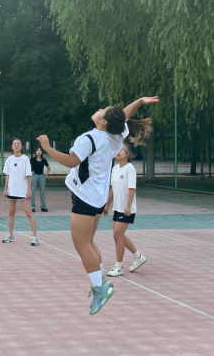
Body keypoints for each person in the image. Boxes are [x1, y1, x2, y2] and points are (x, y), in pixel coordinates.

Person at [37, 96, 158, 316]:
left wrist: (46, 147)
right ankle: (99, 281)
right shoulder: (116, 135)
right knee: (89, 242)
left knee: (81, 244)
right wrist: (139, 101)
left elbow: (71, 162)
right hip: (97, 196)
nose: (100, 108)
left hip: (85, 196)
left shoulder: (89, 138)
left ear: (104, 121)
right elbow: (125, 115)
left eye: (103, 109)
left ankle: (99, 288)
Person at [103, 143, 147, 277]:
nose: (118, 152)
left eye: (121, 150)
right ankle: (138, 256)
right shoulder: (115, 168)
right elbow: (112, 188)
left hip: (126, 208)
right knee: (118, 235)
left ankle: (119, 266)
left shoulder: (130, 169)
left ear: (127, 154)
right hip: (117, 207)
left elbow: (132, 189)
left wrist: (128, 206)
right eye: (117, 149)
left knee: (117, 235)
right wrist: (107, 204)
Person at [2, 139, 39, 246]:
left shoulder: (25, 159)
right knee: (11, 213)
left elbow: (28, 175)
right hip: (12, 189)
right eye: (14, 144)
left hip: (23, 190)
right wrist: (5, 189)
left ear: (22, 146)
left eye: (18, 144)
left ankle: (35, 237)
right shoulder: (9, 159)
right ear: (12, 147)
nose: (16, 145)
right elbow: (7, 175)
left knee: (28, 212)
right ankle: (10, 235)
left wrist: (29, 189)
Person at [30, 147, 51, 213]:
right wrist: (30, 172)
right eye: (37, 150)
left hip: (41, 176)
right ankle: (32, 207)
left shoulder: (44, 160)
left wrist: (45, 174)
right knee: (32, 191)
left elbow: (48, 168)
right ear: (35, 152)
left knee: (42, 192)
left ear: (41, 152)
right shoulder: (32, 160)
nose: (39, 152)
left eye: (40, 150)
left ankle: (43, 206)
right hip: (34, 176)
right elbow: (26, 166)